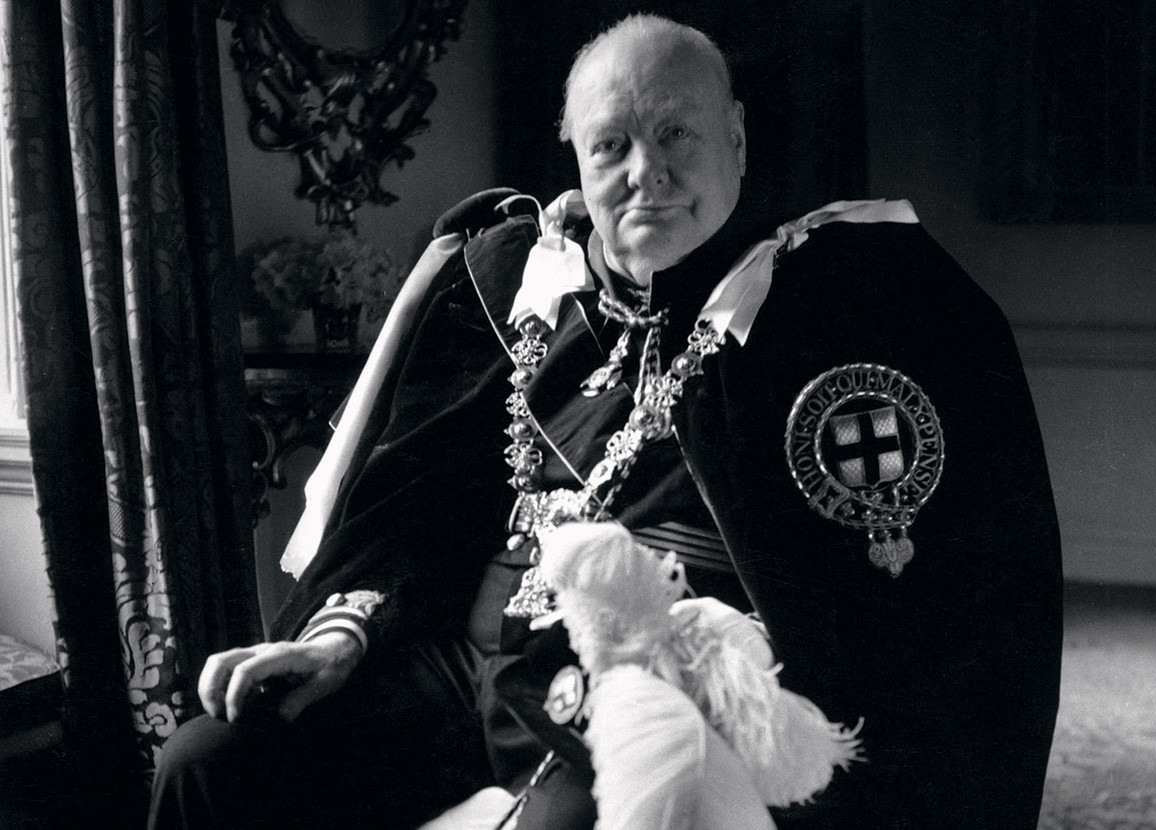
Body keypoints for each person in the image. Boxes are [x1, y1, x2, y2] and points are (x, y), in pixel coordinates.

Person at [150, 13, 1062, 829]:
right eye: (611, 145)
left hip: (644, 688)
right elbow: (412, 515)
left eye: (676, 134)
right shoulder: (519, 290)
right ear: (577, 160)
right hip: (463, 667)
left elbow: (903, 608)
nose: (644, 173)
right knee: (211, 761)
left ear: (738, 137)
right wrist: (338, 637)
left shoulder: (839, 301)